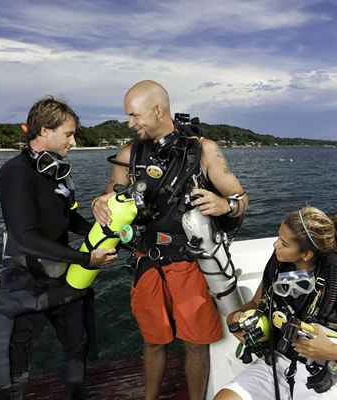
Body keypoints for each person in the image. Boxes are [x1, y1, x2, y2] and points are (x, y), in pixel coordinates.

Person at [90, 80, 249, 400]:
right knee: (152, 340)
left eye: (134, 116)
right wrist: (98, 203)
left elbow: (241, 198)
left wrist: (224, 205)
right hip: (146, 260)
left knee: (194, 343)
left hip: (189, 262)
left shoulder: (204, 151)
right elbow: (111, 197)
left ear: (158, 110)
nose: (129, 123)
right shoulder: (129, 154)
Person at [0, 97, 117, 400]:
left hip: (62, 275)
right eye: (68, 134)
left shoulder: (56, 171)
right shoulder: (15, 172)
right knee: (16, 365)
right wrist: (86, 257)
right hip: (27, 281)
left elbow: (68, 218)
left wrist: (108, 230)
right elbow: (25, 236)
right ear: (44, 131)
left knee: (77, 346)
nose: (74, 141)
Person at [215, 207, 337, 400]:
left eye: (284, 243)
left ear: (306, 254)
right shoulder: (278, 269)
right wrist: (236, 320)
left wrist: (333, 351)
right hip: (280, 362)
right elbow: (255, 303)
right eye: (278, 238)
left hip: (332, 373)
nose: (275, 245)